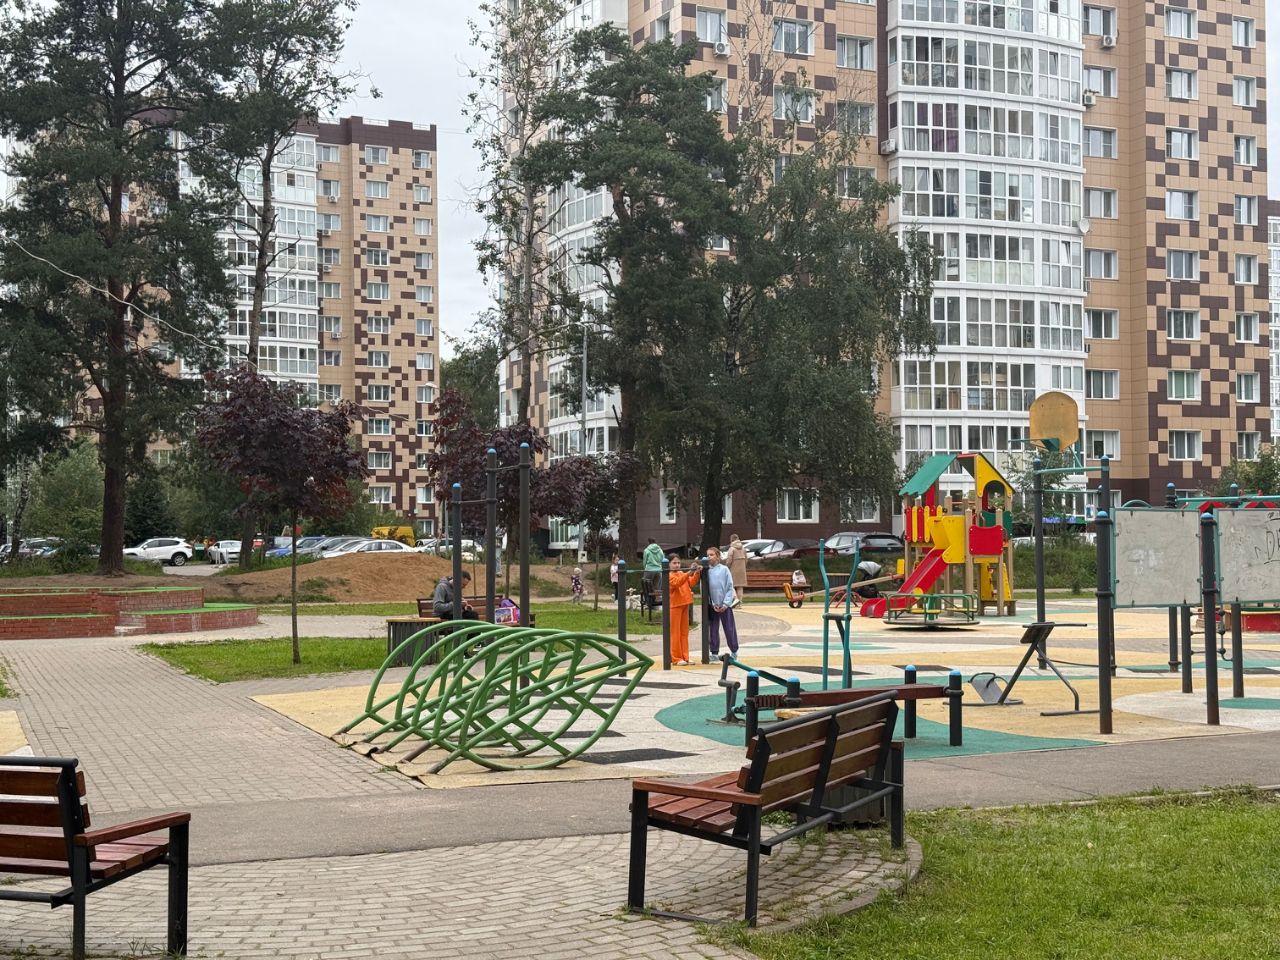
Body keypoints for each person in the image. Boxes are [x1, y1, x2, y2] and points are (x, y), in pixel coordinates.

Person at [704, 547, 739, 657]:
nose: (709, 557)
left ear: (718, 556)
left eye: (712, 554)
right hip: (712, 605)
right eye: (707, 555)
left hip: (725, 605)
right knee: (713, 629)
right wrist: (712, 603)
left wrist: (726, 603)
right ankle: (714, 652)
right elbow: (705, 590)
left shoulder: (724, 570)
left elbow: (729, 587)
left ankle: (734, 651)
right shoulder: (706, 571)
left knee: (729, 628)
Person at [667, 554, 701, 665]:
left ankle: (685, 656)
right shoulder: (668, 575)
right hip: (675, 606)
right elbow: (677, 583)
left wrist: (696, 573)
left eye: (678, 563)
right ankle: (676, 658)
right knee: (675, 633)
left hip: (684, 604)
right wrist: (689, 572)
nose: (677, 565)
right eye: (674, 563)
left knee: (684, 633)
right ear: (668, 564)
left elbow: (691, 582)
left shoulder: (681, 573)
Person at [641, 537, 664, 609]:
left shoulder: (646, 550)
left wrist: (645, 568)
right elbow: (662, 560)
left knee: (646, 587)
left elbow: (645, 561)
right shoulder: (660, 550)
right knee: (657, 587)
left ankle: (648, 603)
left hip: (649, 569)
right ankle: (656, 604)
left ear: (648, 542)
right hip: (658, 570)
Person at [725, 535, 748, 602]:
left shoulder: (732, 548)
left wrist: (727, 567)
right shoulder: (743, 548)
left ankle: (735, 600)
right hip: (742, 570)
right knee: (740, 587)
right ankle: (740, 602)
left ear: (731, 540)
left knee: (731, 585)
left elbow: (729, 560)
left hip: (733, 569)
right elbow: (746, 559)